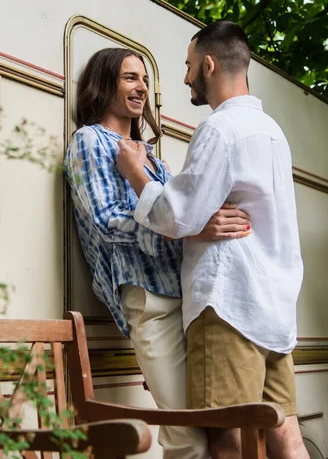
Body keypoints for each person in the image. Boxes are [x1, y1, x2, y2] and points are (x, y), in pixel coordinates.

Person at [116, 21, 309, 459]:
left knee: (227, 438)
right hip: (275, 309)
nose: (184, 78)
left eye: (187, 67)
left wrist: (136, 173)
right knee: (286, 436)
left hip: (229, 305)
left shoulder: (220, 130)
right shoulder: (273, 132)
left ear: (208, 64)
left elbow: (177, 214)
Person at [64, 47, 251, 459]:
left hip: (187, 300)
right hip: (149, 300)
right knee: (187, 438)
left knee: (212, 428)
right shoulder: (89, 141)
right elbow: (106, 221)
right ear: (104, 83)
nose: (142, 88)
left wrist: (195, 226)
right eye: (130, 78)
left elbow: (178, 218)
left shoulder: (150, 156)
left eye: (145, 80)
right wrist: (188, 231)